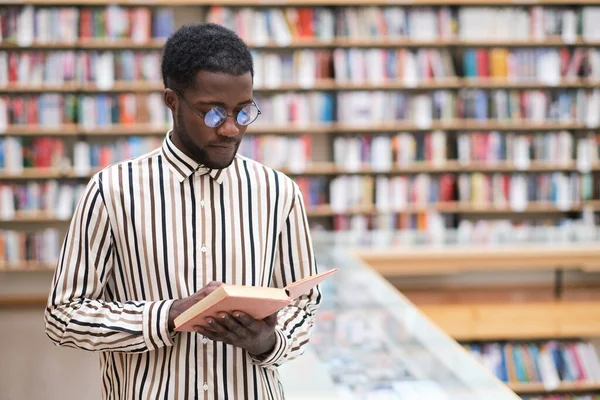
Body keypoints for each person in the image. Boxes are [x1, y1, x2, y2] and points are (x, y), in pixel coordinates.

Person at [44, 23, 321, 400]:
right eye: (212, 114)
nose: (230, 129)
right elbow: (64, 317)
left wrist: (269, 341)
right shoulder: (112, 191)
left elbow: (304, 303)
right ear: (172, 102)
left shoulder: (279, 192)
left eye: (243, 112)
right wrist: (169, 315)